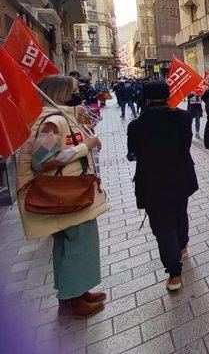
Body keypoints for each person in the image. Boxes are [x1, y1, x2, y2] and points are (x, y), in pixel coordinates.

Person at [16, 75, 107, 319]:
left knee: (72, 245)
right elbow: (42, 161)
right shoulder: (52, 122)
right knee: (78, 245)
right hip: (66, 195)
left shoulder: (57, 117)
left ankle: (75, 292)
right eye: (74, 89)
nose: (79, 91)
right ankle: (72, 301)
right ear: (61, 92)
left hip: (70, 192)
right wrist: (84, 147)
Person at [127, 81, 198, 292]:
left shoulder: (137, 125)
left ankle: (175, 274)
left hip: (153, 181)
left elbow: (133, 154)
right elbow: (185, 145)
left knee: (163, 225)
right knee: (180, 212)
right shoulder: (184, 118)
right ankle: (183, 244)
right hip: (181, 176)